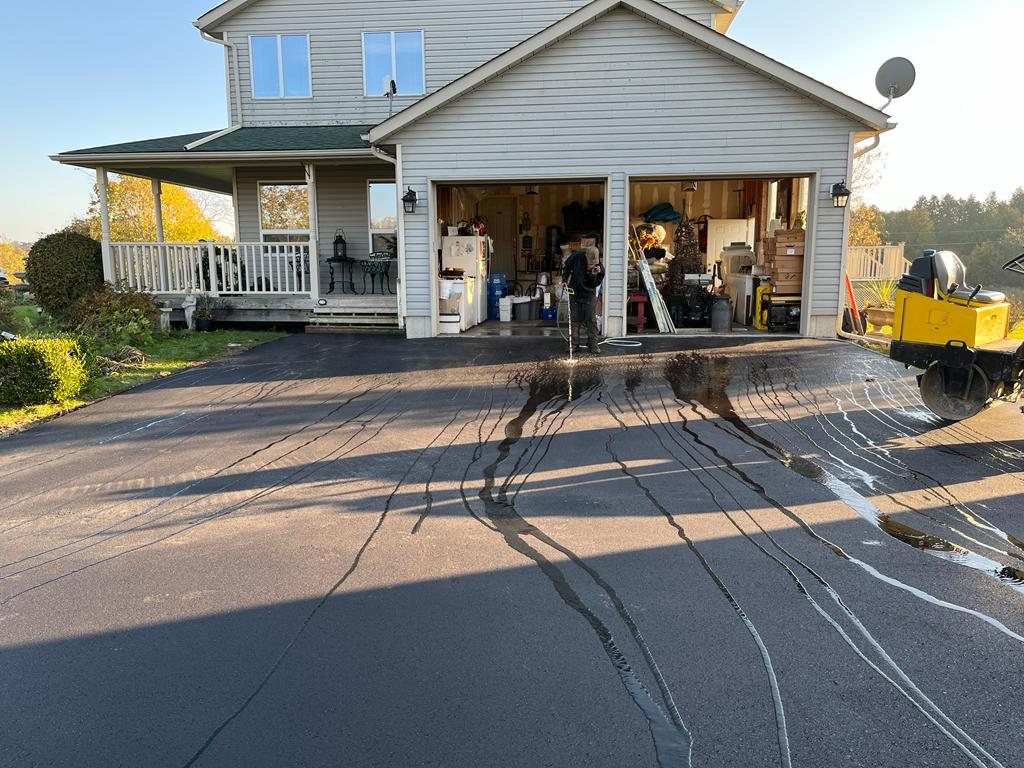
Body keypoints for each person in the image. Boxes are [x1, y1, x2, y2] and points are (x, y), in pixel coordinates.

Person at [561, 246, 605, 354]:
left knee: (591, 320)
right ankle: (573, 345)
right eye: (590, 263)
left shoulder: (599, 269)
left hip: (589, 294)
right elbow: (567, 267)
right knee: (574, 319)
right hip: (574, 292)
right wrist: (564, 280)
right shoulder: (576, 257)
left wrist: (593, 275)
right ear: (585, 256)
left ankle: (593, 344)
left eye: (593, 264)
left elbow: (594, 284)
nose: (591, 265)